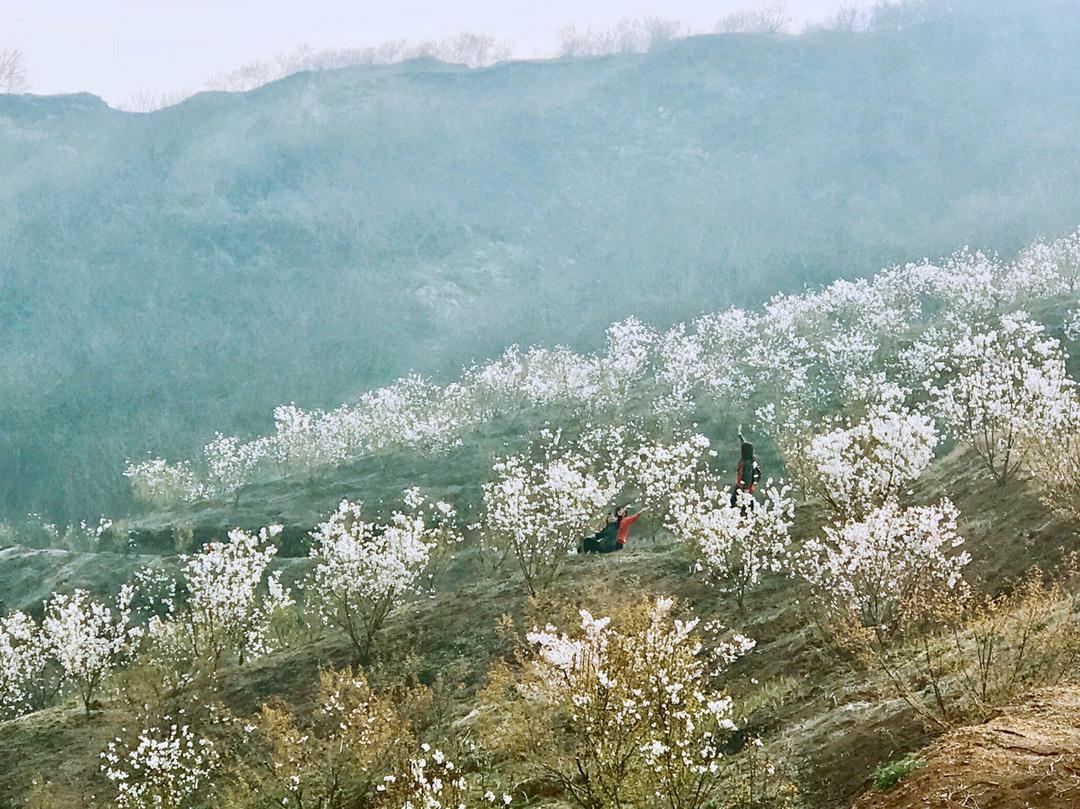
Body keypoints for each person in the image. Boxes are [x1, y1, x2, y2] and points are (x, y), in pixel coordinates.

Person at [580, 504, 645, 554]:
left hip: (611, 546)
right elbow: (598, 535)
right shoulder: (606, 528)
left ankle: (586, 553)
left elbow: (620, 517)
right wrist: (587, 538)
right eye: (609, 517)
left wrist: (625, 509)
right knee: (587, 541)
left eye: (612, 517)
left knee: (589, 542)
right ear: (607, 520)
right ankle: (581, 552)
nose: (611, 518)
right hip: (603, 546)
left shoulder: (616, 525)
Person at [730, 432, 761, 511]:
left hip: (743, 486)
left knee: (739, 501)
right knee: (742, 501)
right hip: (741, 485)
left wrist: (746, 488)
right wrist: (740, 435)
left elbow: (747, 476)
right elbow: (744, 443)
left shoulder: (747, 463)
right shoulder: (748, 460)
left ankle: (747, 515)